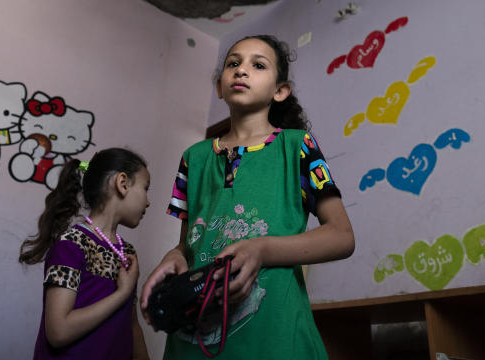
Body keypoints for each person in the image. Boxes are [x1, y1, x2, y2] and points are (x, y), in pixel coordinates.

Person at [140, 35, 355, 358]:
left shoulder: (298, 147)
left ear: (280, 91)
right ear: (219, 87)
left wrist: (262, 249)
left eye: (258, 65)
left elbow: (342, 237)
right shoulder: (193, 157)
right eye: (233, 63)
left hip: (275, 335)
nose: (241, 70)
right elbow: (188, 244)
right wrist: (175, 258)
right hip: (196, 337)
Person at [20, 147, 151, 359]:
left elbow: (132, 325)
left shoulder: (126, 251)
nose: (148, 201)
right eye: (146, 188)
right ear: (123, 183)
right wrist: (121, 294)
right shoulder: (71, 245)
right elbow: (58, 331)